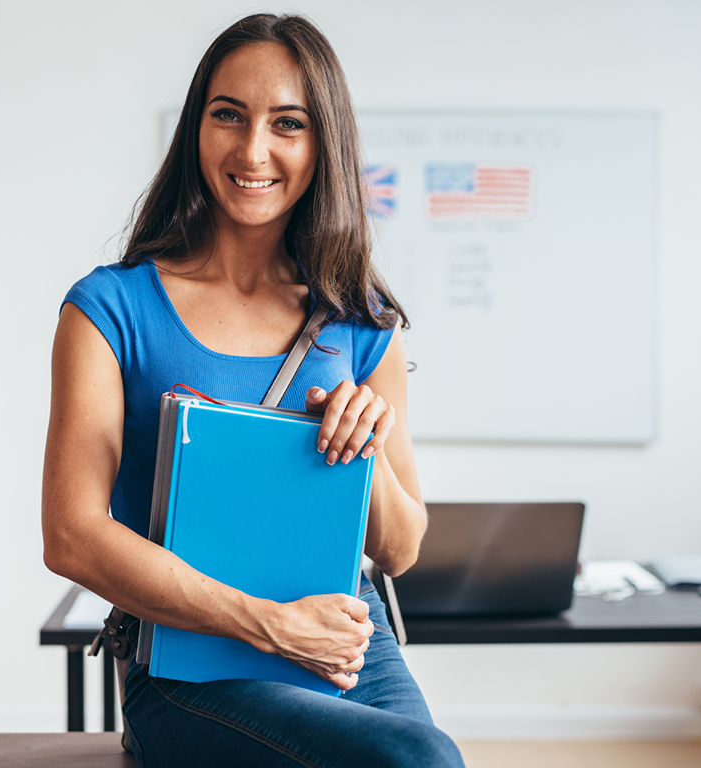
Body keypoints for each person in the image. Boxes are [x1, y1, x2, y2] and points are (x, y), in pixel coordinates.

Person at [42, 13, 465, 768]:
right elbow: (71, 534)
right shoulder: (110, 309)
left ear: (321, 143)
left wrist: (363, 451)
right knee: (413, 762)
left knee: (427, 755)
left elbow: (401, 547)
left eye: (288, 124)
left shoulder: (361, 321)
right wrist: (270, 624)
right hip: (186, 658)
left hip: (342, 637)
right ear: (195, 129)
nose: (253, 150)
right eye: (228, 115)